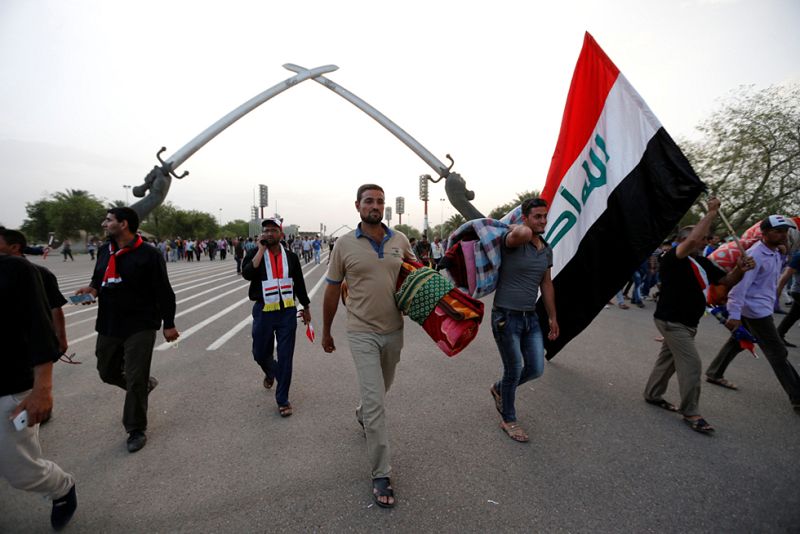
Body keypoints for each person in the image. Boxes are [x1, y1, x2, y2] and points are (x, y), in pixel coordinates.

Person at [322, 184, 414, 508]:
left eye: (379, 201)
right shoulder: (344, 244)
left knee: (382, 388)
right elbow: (332, 290)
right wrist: (327, 332)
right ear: (357, 205)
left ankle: (361, 414)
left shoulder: (399, 240)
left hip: (394, 330)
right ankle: (381, 473)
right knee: (377, 402)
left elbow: (417, 276)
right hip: (361, 331)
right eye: (368, 201)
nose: (375, 206)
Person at [643, 198, 754, 434]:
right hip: (672, 322)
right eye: (703, 238)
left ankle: (653, 394)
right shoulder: (671, 258)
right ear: (683, 241)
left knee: (668, 360)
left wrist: (740, 270)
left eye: (705, 238)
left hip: (688, 323)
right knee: (692, 364)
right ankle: (691, 412)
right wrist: (712, 213)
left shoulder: (702, 262)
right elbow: (694, 238)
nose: (706, 241)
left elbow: (725, 282)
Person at [74, 207, 180, 452]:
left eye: (109, 220)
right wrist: (90, 290)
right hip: (109, 323)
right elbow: (98, 280)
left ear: (123, 224)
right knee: (106, 371)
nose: (104, 224)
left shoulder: (149, 255)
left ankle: (135, 428)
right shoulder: (105, 250)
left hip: (140, 325)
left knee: (134, 377)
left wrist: (169, 324)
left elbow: (164, 291)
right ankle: (144, 385)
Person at [0, 249, 77, 530]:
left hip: (9, 386)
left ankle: (61, 487)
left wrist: (42, 389)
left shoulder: (16, 270)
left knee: (20, 471)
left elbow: (39, 327)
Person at [705, 215, 800, 413]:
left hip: (761, 306)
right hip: (755, 310)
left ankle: (714, 372)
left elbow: (772, 274)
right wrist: (734, 315)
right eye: (777, 231)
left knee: (738, 341)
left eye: (785, 231)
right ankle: (797, 396)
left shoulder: (774, 252)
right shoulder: (754, 255)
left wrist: (783, 255)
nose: (783, 235)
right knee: (777, 353)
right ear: (764, 233)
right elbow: (740, 288)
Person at [488, 198, 559, 443]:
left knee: (536, 368)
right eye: (537, 216)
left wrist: (552, 317)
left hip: (531, 317)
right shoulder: (514, 241)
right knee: (514, 369)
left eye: (544, 216)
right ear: (525, 218)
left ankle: (499, 388)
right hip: (505, 317)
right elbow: (520, 234)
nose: (543, 221)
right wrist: (520, 227)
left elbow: (546, 283)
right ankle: (508, 419)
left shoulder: (546, 249)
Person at [242, 218, 311, 417]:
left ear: (281, 234)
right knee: (259, 353)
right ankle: (271, 371)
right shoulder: (255, 253)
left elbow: (299, 282)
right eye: (266, 231)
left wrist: (305, 306)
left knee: (286, 356)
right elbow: (247, 274)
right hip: (263, 310)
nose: (269, 234)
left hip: (287, 311)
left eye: (273, 230)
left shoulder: (290, 257)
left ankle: (282, 399)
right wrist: (260, 250)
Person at [777, 250, 800, 347]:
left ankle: (779, 336)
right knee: (793, 315)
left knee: (793, 315)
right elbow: (786, 275)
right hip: (799, 291)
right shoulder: (799, 256)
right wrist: (777, 294)